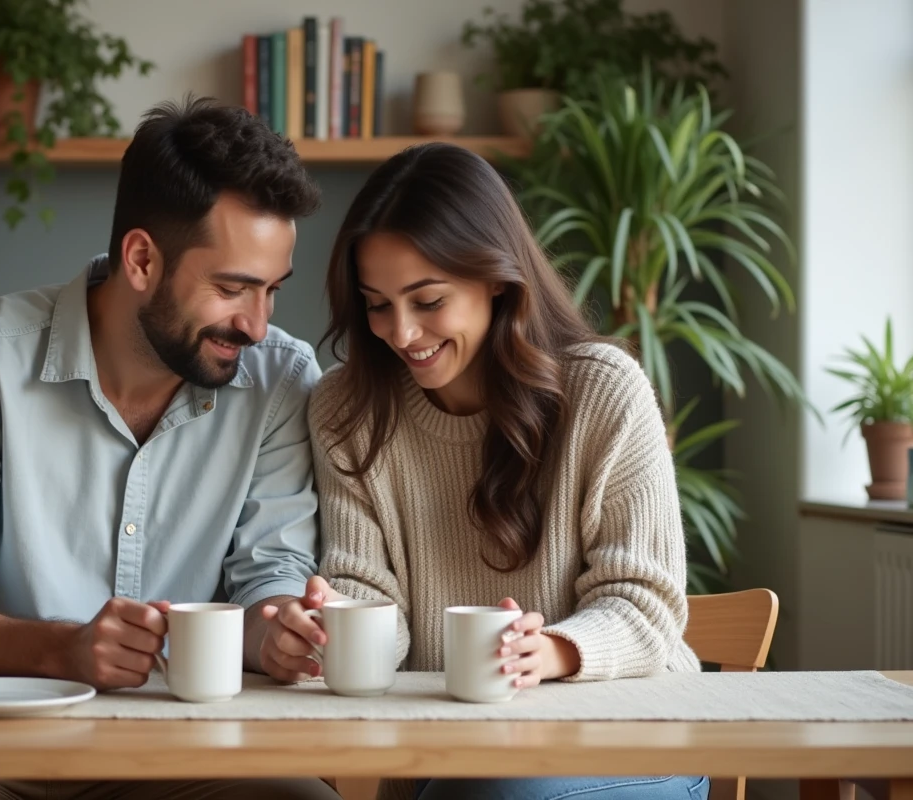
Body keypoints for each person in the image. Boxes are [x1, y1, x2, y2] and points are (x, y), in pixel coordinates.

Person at [0, 97, 339, 800]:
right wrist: (63, 650)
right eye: (233, 289)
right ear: (142, 259)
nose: (259, 326)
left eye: (272, 291)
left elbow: (272, 571)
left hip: (195, 753)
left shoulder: (282, 381)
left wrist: (281, 629)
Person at [261, 142, 710, 800]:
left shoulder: (603, 392)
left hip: (629, 733)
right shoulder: (347, 408)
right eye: (377, 304)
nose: (402, 332)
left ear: (496, 278)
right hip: (451, 752)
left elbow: (646, 606)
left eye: (429, 300)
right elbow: (367, 592)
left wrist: (549, 652)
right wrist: (335, 628)